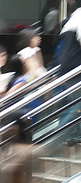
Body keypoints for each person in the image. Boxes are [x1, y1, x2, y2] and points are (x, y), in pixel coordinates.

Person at [57, 1, 81, 146]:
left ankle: (73, 135)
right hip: (76, 66)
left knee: (72, 104)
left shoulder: (73, 17)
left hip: (67, 67)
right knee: (77, 105)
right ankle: (57, 139)